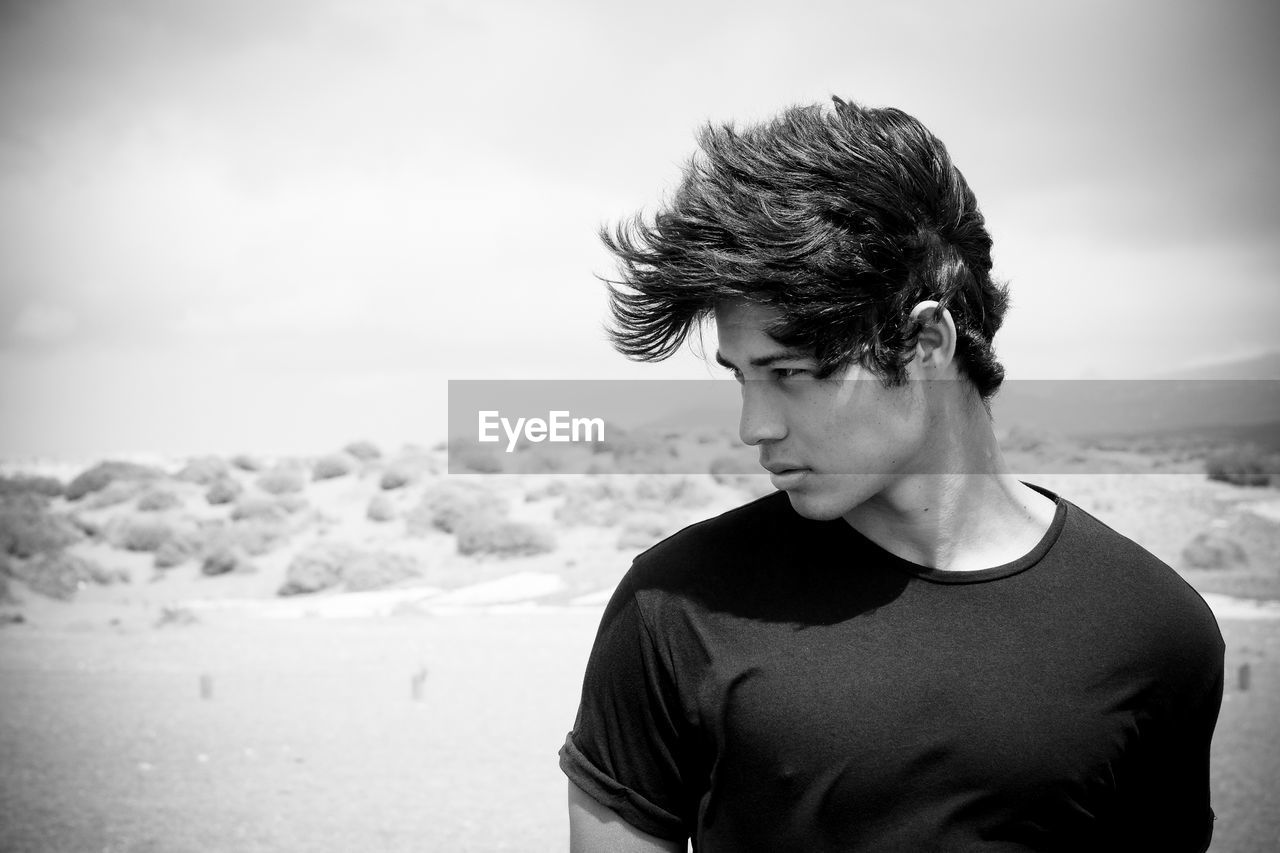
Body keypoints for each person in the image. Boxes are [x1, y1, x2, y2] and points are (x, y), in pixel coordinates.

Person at [559, 97, 1224, 852]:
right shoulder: (674, 603)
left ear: (926, 341)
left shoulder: (1157, 629)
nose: (755, 426)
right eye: (741, 377)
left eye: (791, 373)